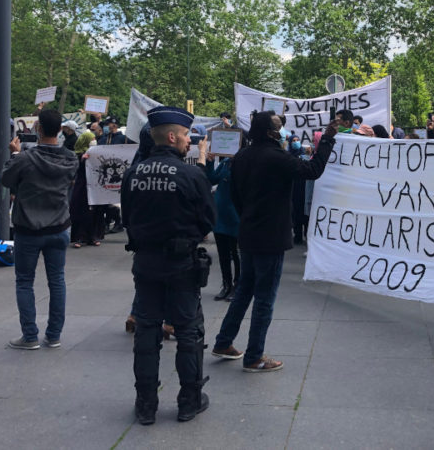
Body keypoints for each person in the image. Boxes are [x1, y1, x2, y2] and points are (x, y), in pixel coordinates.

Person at [211, 112, 337, 372]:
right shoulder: (277, 158)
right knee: (265, 298)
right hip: (270, 236)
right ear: (270, 132)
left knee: (245, 290)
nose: (281, 131)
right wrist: (326, 141)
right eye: (278, 127)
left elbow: (235, 196)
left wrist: (249, 216)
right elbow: (313, 171)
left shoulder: (241, 157)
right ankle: (254, 356)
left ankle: (224, 341)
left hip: (248, 232)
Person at [122, 106, 215, 425]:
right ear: (173, 137)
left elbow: (127, 218)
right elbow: (207, 221)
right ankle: (189, 400)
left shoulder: (134, 173)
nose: (190, 141)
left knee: (147, 330)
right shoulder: (191, 175)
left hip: (146, 262)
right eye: (188, 135)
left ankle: (146, 403)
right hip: (182, 264)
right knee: (189, 331)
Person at [1, 110, 77, 349]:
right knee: (57, 281)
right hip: (59, 226)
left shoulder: (24, 158)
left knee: (24, 281)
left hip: (28, 228)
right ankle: (54, 335)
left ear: (39, 129)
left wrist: (14, 154)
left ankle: (30, 336)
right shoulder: (71, 158)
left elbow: (5, 180)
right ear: (60, 130)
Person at [206, 154, 240, 302]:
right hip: (220, 217)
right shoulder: (225, 162)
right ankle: (226, 284)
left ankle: (237, 286)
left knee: (237, 254)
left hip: (236, 217)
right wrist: (210, 162)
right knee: (223, 254)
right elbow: (212, 179)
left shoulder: (244, 164)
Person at [69, 130, 106, 248]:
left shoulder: (97, 153)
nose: (93, 141)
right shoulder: (76, 155)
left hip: (94, 186)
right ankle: (79, 237)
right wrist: (82, 159)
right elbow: (74, 168)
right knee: (81, 210)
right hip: (82, 186)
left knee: (94, 211)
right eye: (91, 139)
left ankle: (93, 236)